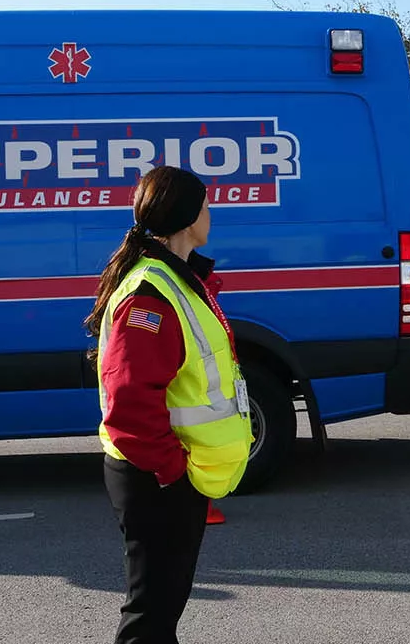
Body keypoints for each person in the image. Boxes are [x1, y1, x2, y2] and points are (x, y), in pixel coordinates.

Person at [86, 165, 254, 644]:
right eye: (205, 204)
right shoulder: (151, 295)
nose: (210, 213)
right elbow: (128, 404)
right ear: (185, 217)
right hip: (156, 477)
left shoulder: (176, 279)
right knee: (150, 618)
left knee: (161, 614)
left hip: (169, 475)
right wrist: (171, 471)